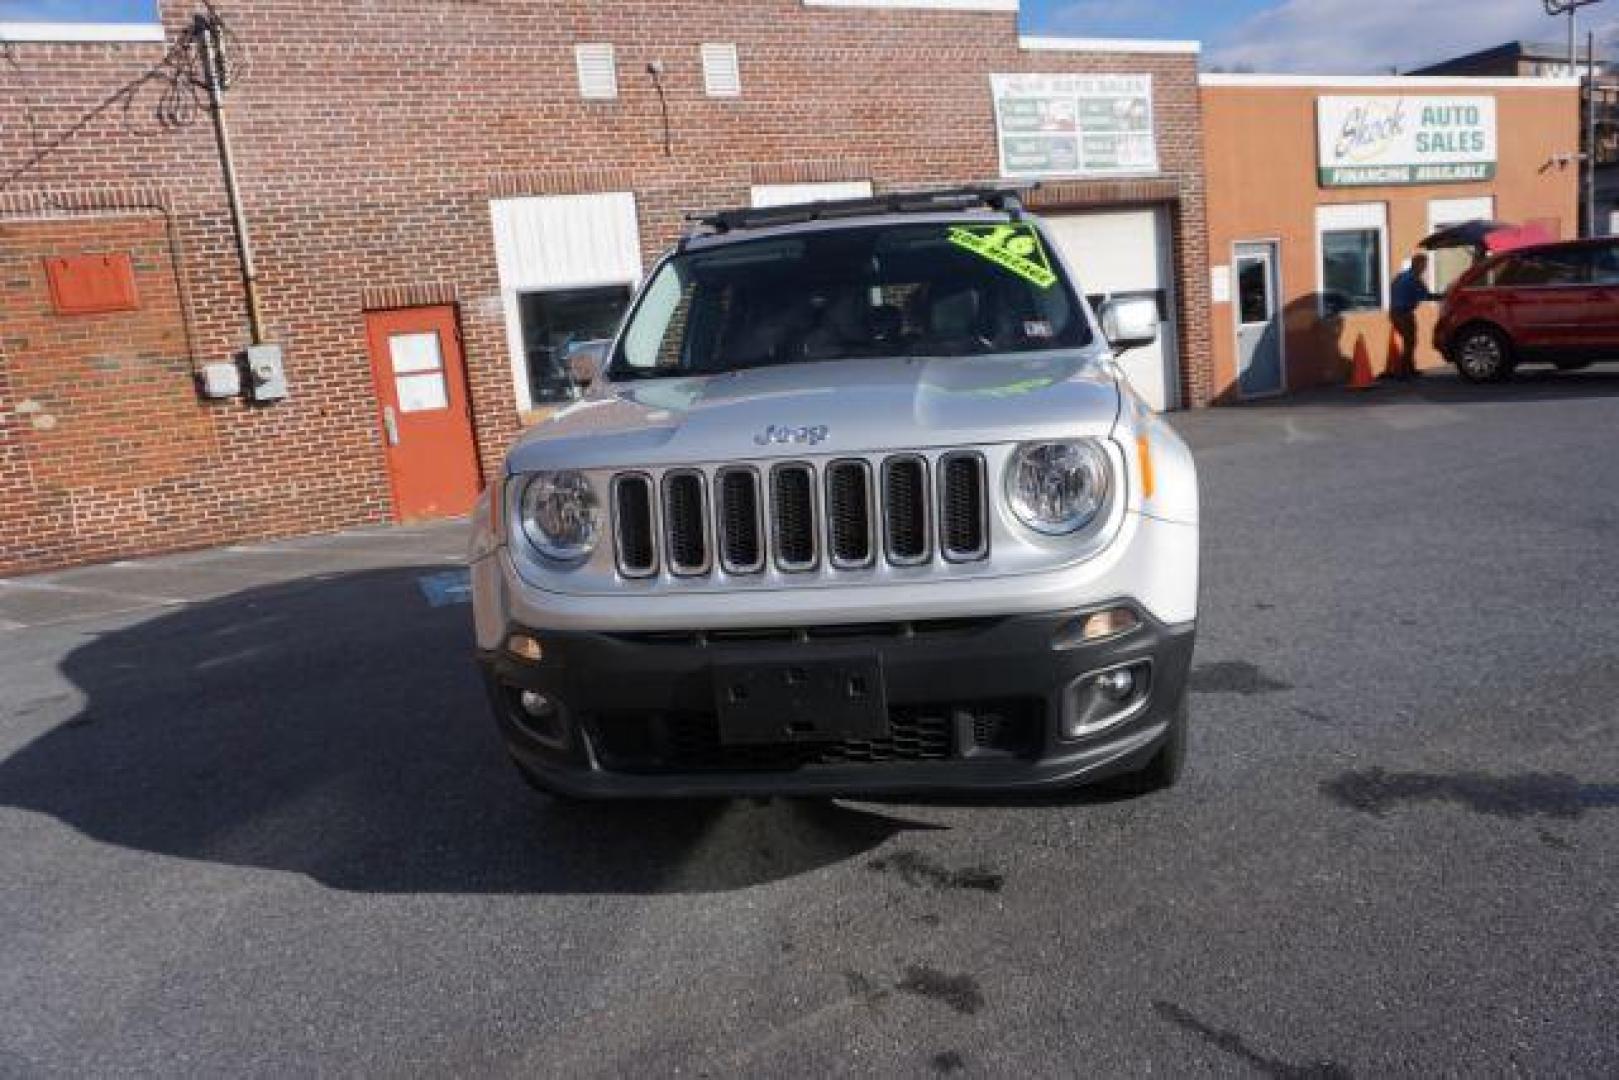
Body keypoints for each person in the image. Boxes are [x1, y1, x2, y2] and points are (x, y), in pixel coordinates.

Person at [1388, 253, 1441, 379]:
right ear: (1418, 264)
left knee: (1410, 341)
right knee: (1410, 342)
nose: (1425, 268)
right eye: (1424, 264)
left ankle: (1409, 369)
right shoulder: (1414, 278)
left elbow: (1393, 288)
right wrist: (1445, 295)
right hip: (1403, 313)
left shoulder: (1402, 275)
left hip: (1395, 312)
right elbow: (1426, 296)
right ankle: (1402, 372)